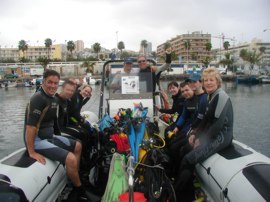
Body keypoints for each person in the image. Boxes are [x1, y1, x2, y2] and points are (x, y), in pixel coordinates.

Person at [24, 70, 93, 201]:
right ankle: (80, 191)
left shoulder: (52, 98)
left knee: (78, 145)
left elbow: (53, 122)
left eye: (55, 83)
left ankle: (73, 178)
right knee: (71, 159)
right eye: (49, 82)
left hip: (49, 137)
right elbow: (30, 126)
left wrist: (58, 136)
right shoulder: (38, 98)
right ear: (43, 81)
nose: (53, 85)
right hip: (38, 140)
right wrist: (31, 151)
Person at [174, 67, 234, 201]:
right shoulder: (210, 96)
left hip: (222, 137)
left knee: (188, 160)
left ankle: (182, 196)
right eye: (206, 80)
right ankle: (185, 187)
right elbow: (206, 121)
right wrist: (195, 134)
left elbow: (217, 125)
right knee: (184, 149)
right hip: (213, 134)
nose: (208, 83)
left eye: (211, 80)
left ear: (218, 82)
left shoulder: (221, 96)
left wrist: (202, 140)